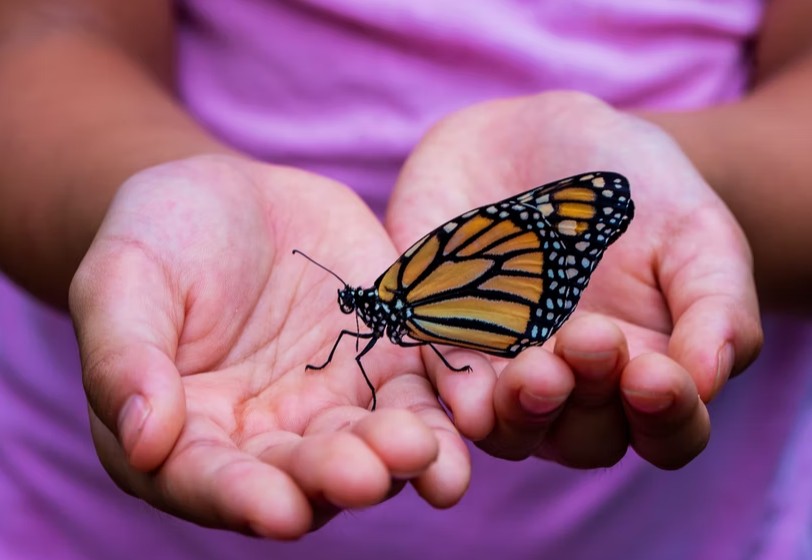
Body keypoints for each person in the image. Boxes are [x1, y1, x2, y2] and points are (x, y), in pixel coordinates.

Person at [0, 0, 809, 558]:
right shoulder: (393, 303)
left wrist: (700, 190)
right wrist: (153, 196)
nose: (357, 310)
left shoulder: (408, 292)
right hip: (85, 522)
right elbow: (44, 35)